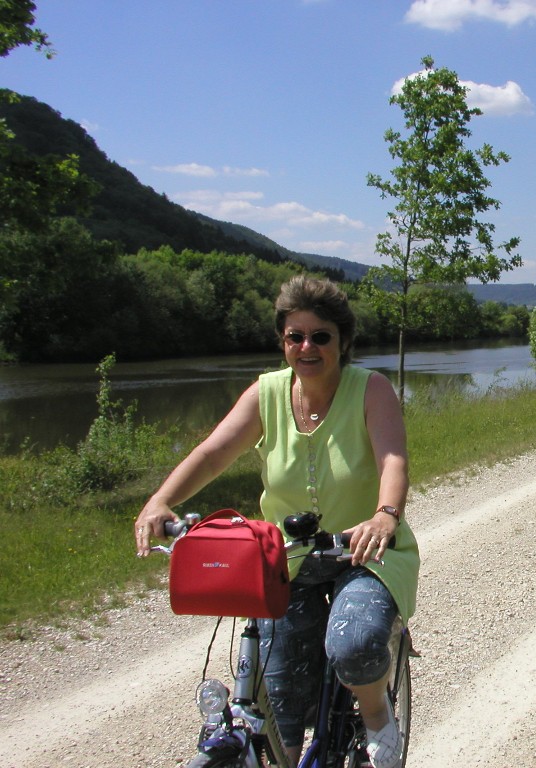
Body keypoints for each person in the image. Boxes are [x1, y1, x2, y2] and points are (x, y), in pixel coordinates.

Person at [134, 274, 419, 768]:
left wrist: (384, 515)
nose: (307, 347)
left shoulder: (369, 389)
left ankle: (377, 717)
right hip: (288, 558)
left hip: (363, 551)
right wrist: (161, 500)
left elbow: (393, 459)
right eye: (295, 336)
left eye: (321, 336)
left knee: (353, 644)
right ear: (282, 341)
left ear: (343, 341)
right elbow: (213, 453)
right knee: (280, 695)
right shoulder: (266, 393)